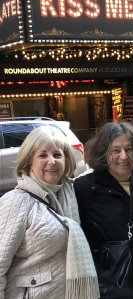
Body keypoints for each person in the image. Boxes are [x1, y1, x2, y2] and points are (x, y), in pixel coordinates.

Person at [0, 126, 99, 299]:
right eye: (42, 155)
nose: (51, 161)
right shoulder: (16, 201)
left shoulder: (71, 194)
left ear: (66, 159)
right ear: (29, 160)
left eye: (57, 155)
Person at [73, 121, 133, 299]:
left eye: (129, 149)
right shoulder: (84, 189)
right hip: (111, 285)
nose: (123, 156)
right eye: (115, 150)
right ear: (103, 154)